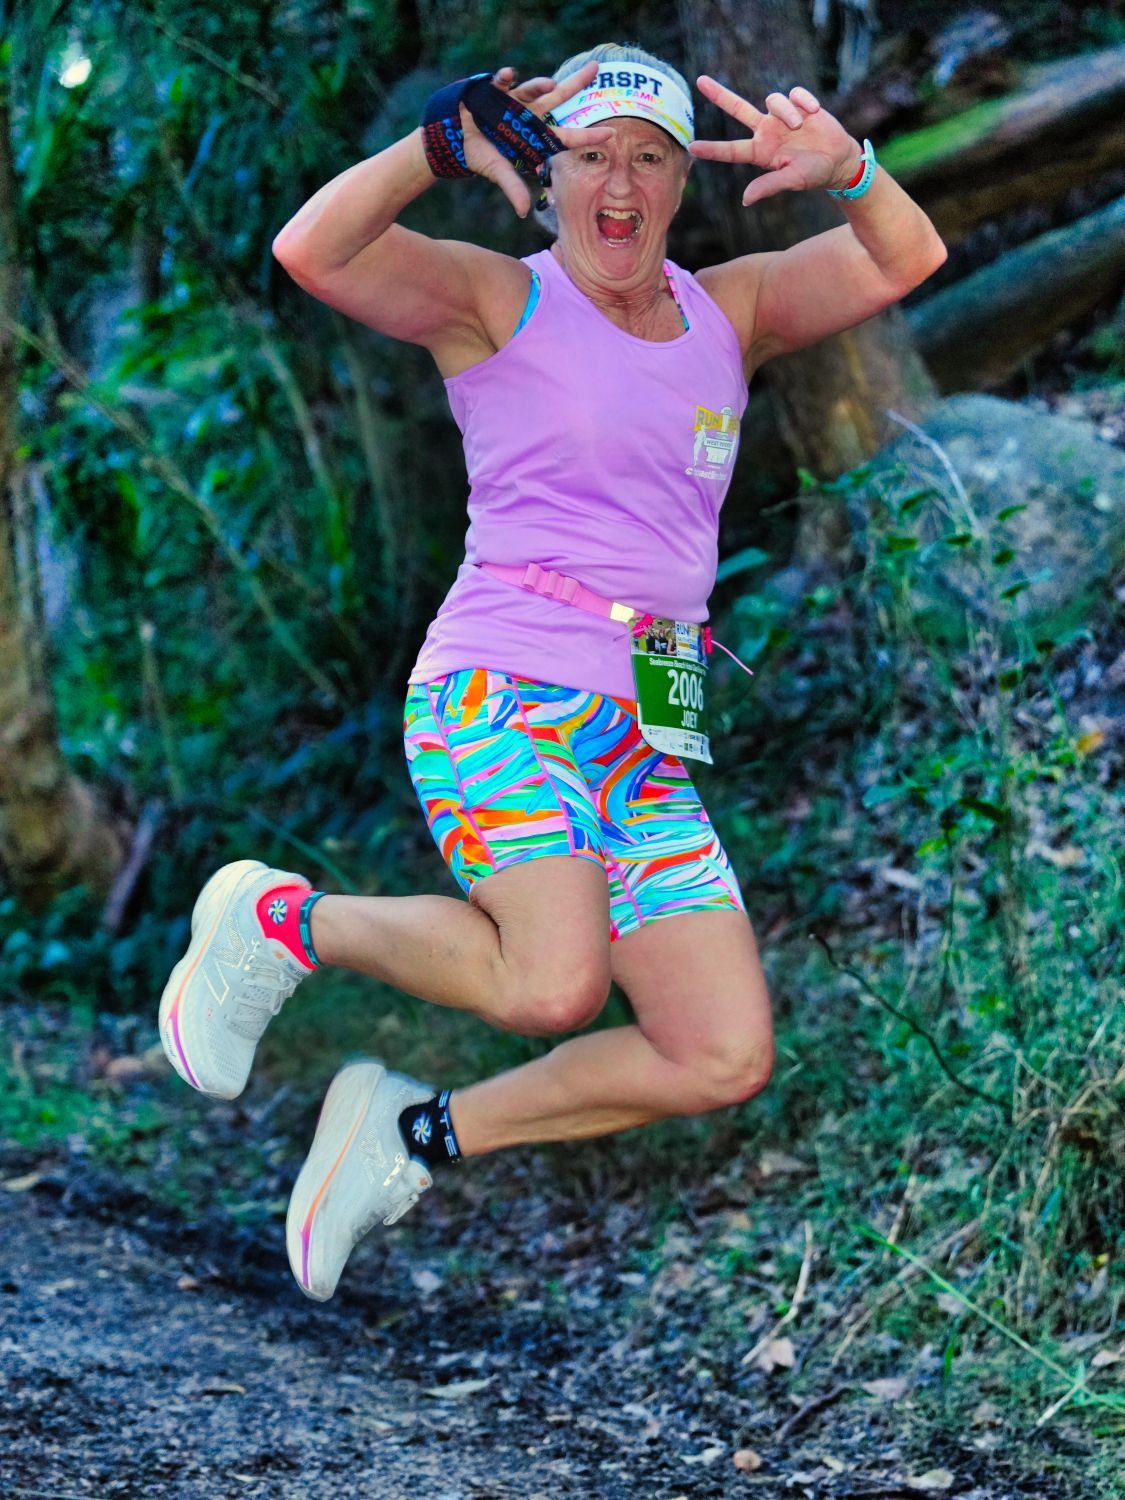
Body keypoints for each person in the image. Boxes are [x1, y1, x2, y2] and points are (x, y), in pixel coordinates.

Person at [158, 43, 947, 1303]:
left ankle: (411, 1134)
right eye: (589, 155)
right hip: (500, 691)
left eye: (647, 156)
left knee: (720, 1052)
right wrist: (430, 147)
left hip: (648, 732)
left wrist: (848, 168)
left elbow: (904, 258)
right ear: (550, 166)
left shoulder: (725, 311)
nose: (617, 183)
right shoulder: (499, 300)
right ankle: (279, 920)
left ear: (684, 176)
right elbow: (314, 252)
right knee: (554, 984)